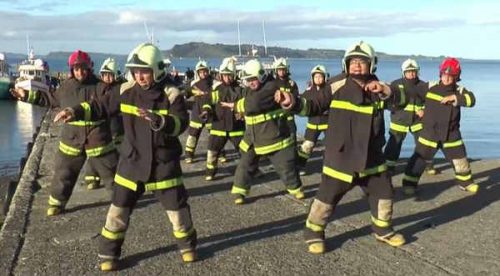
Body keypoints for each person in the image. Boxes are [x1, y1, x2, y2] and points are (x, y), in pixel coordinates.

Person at [53, 43, 198, 271]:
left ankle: (188, 246)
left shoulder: (171, 93)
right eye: (135, 71)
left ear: (157, 70)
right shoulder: (125, 90)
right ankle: (108, 255)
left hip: (163, 163)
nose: (139, 76)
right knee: (117, 210)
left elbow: (181, 122)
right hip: (131, 161)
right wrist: (74, 111)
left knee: (177, 210)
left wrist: (161, 121)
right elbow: (99, 106)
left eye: (144, 71)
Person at [293, 41, 406, 254]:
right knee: (327, 198)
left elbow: (401, 101)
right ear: (345, 65)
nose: (356, 66)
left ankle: (383, 230)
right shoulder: (336, 85)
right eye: (352, 62)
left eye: (362, 62)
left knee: (384, 192)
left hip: (372, 157)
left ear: (372, 65)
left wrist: (386, 90)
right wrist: (292, 102)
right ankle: (314, 233)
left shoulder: (378, 87)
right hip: (341, 157)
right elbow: (312, 104)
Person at [11, 50, 117, 216]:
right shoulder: (66, 87)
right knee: (63, 175)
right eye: (76, 69)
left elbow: (106, 107)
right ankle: (56, 204)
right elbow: (50, 99)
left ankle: (121, 202)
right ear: (71, 70)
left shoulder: (101, 87)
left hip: (99, 141)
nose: (80, 72)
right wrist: (27, 96)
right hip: (71, 140)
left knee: (111, 174)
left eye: (83, 68)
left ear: (89, 68)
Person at [221, 59, 304, 204]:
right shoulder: (249, 89)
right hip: (253, 137)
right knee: (245, 165)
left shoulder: (272, 87)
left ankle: (295, 188)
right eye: (248, 80)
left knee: (285, 168)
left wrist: (236, 106)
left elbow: (254, 104)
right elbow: (249, 107)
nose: (251, 82)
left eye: (253, 79)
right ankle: (239, 192)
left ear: (261, 75)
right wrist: (241, 113)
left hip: (273, 137)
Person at [403, 57, 478, 195]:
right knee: (419, 160)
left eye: (450, 76)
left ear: (457, 77)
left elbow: (471, 100)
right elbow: (413, 92)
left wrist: (455, 98)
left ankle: (466, 183)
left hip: (451, 134)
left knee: (461, 160)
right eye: (444, 75)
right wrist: (419, 107)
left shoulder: (460, 90)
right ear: (440, 74)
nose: (447, 78)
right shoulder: (431, 86)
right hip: (429, 133)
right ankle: (409, 184)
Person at [384, 59, 437, 177]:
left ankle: (428, 165)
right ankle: (389, 167)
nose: (411, 74)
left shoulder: (423, 85)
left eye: (414, 71)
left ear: (417, 72)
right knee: (393, 146)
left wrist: (425, 110)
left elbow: (431, 102)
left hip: (417, 122)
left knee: (424, 145)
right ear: (403, 72)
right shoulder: (395, 84)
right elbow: (387, 101)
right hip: (399, 121)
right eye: (408, 71)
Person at [199, 57, 245, 181]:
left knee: (246, 150)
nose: (227, 78)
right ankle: (210, 171)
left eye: (229, 75)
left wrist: (242, 113)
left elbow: (246, 104)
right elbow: (208, 101)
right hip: (218, 126)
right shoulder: (217, 89)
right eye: (224, 75)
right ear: (221, 75)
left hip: (237, 127)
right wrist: (206, 111)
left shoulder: (241, 90)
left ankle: (253, 169)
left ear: (234, 75)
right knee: (212, 151)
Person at [83, 57, 123, 190]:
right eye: (104, 75)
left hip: (117, 126)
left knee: (115, 154)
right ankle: (92, 178)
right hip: (100, 126)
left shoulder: (120, 88)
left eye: (110, 75)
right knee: (94, 154)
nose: (107, 77)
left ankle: (116, 177)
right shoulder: (98, 87)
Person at [296, 65, 329, 176]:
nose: (318, 79)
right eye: (316, 77)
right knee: (307, 146)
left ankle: (329, 167)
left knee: (331, 146)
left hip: (328, 124)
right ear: (312, 78)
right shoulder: (309, 91)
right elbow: (302, 103)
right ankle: (299, 165)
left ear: (325, 77)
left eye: (320, 76)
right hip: (313, 123)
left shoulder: (329, 90)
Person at [184, 60, 213, 163]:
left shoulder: (213, 82)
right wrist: (194, 91)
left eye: (204, 71)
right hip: (197, 112)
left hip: (211, 113)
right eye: (200, 72)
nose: (203, 74)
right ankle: (189, 154)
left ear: (208, 71)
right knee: (193, 135)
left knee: (215, 136)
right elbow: (186, 91)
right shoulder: (193, 83)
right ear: (197, 73)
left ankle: (219, 153)